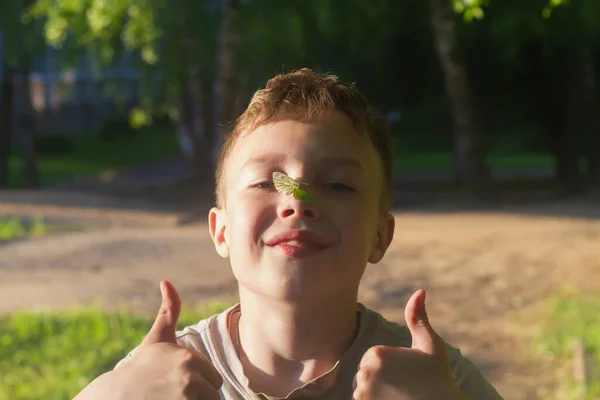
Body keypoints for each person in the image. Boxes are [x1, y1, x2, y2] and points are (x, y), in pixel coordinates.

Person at [74, 68, 504, 400]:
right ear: (220, 231)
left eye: (338, 185)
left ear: (380, 235)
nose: (297, 202)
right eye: (265, 182)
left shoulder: (431, 377)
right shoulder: (155, 378)